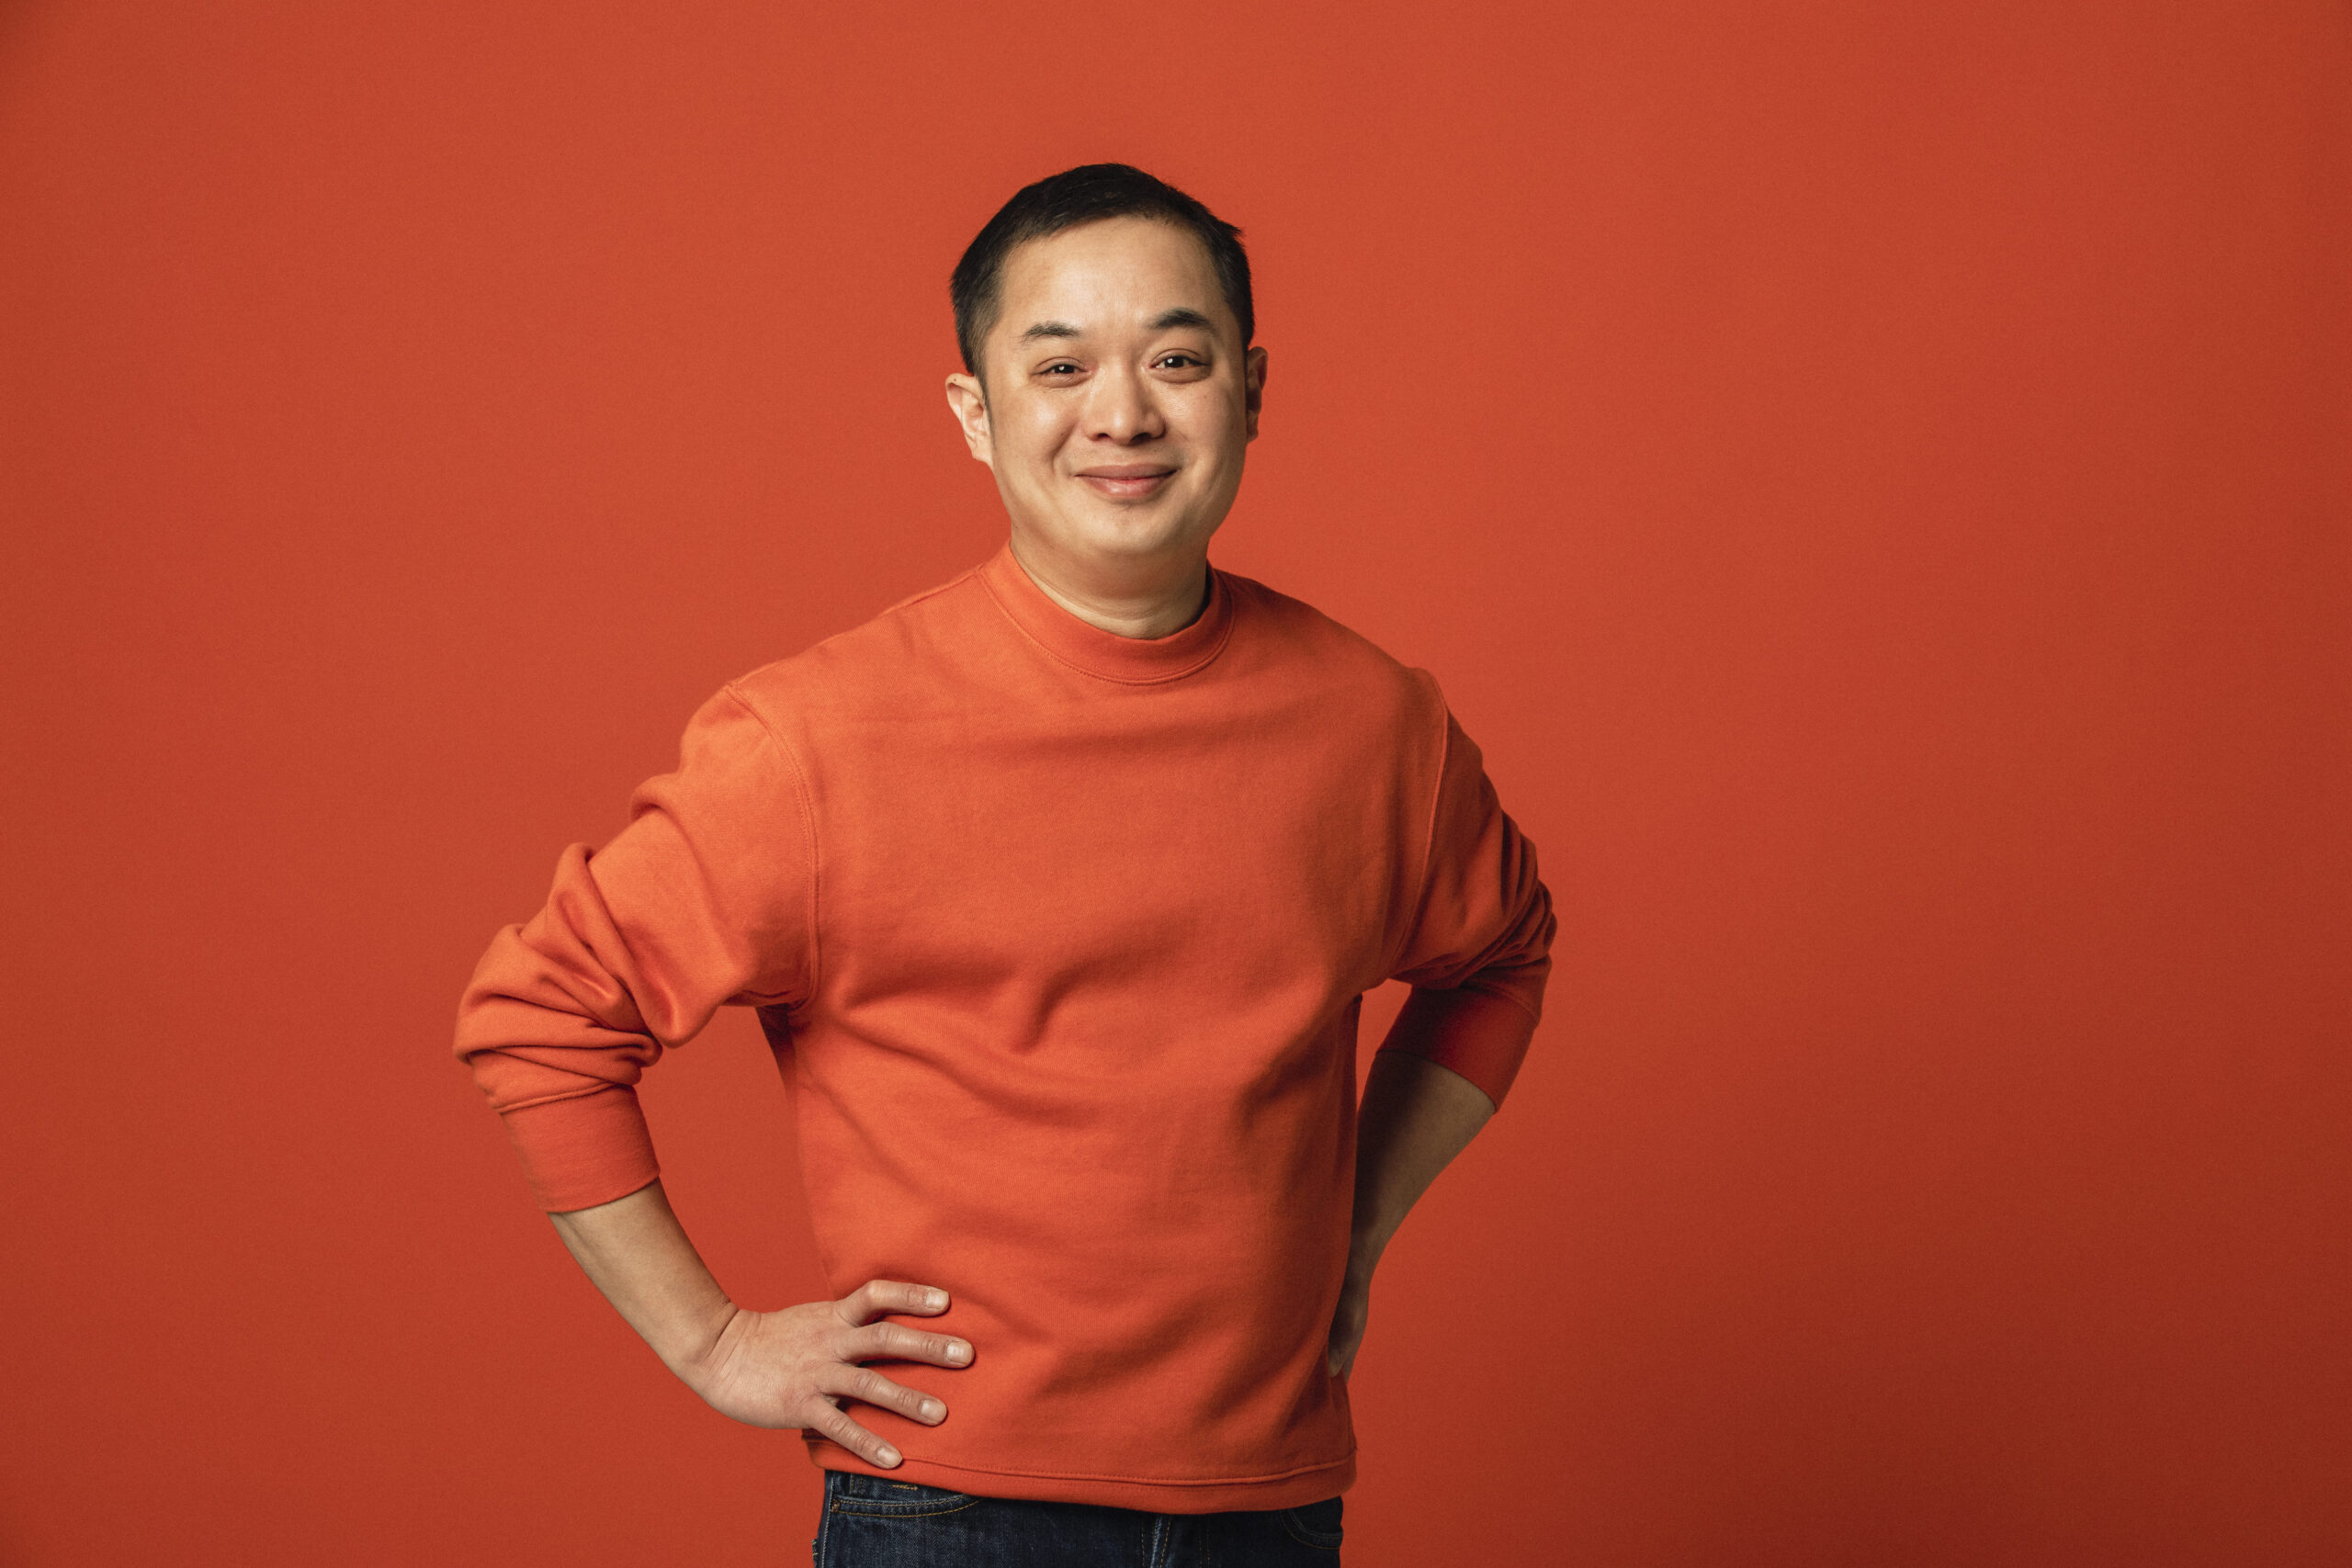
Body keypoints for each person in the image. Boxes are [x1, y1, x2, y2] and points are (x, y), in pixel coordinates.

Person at [453, 162, 1555, 1567]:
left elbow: (1500, 958)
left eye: (1176, 356)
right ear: (976, 414)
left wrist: (1359, 1218)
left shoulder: (1376, 725)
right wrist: (716, 1342)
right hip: (950, 1512)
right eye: (1061, 366)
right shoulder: (818, 739)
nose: (1124, 412)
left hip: (1270, 1506)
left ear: (1253, 388)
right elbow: (541, 1017)